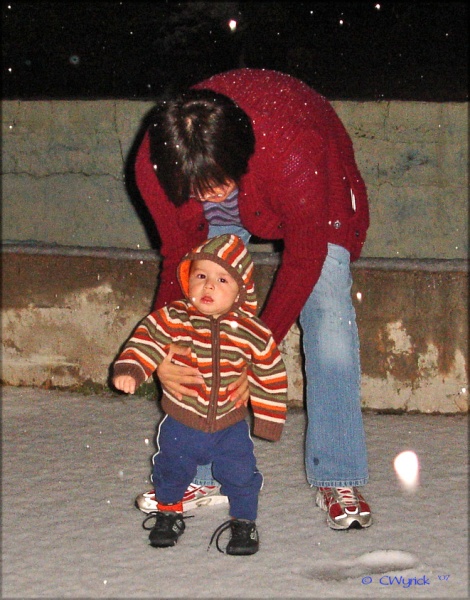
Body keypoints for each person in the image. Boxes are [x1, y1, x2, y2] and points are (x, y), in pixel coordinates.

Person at [132, 67, 372, 530]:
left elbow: (304, 259)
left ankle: (338, 474)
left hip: (303, 179)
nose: (210, 196)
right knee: (201, 322)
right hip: (243, 169)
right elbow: (178, 258)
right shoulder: (154, 163)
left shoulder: (295, 151)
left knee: (329, 317)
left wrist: (251, 352)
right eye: (197, 189)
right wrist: (166, 345)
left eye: (219, 184)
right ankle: (201, 473)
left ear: (240, 156)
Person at [113, 234, 287, 554]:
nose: (209, 286)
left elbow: (270, 371)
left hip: (230, 425)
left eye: (222, 279)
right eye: (201, 276)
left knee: (241, 475)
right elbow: (147, 338)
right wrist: (132, 369)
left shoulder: (252, 330)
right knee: (170, 469)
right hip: (182, 420)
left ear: (241, 291)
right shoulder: (175, 317)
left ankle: (244, 523)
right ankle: (168, 514)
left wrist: (269, 418)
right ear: (188, 279)